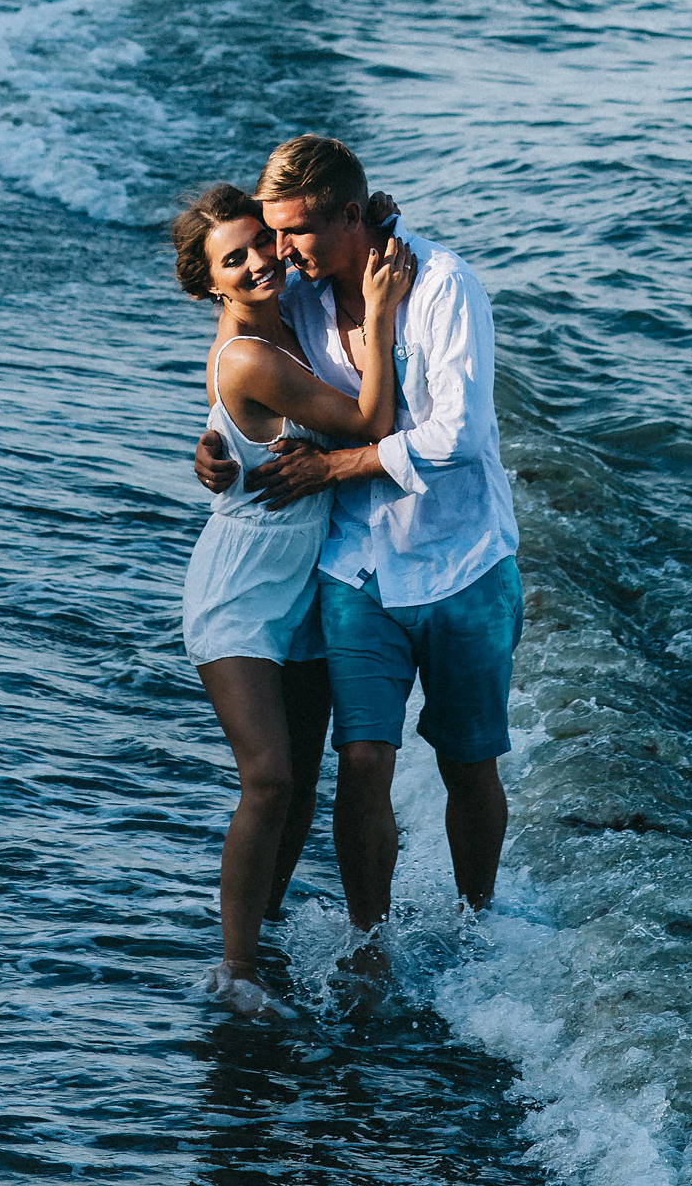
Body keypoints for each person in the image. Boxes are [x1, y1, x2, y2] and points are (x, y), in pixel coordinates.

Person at [195, 135, 521, 932]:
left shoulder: (443, 286)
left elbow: (457, 439)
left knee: (468, 764)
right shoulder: (299, 291)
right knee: (362, 761)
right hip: (356, 567)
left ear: (351, 216)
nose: (278, 251)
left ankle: (477, 923)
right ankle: (368, 943)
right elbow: (242, 346)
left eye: (294, 231)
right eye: (272, 231)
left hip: (464, 562)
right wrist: (214, 441)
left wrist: (336, 467)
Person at [170, 181, 414, 1012]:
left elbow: (328, 240)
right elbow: (372, 424)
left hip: (303, 585)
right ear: (210, 285)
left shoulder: (290, 308)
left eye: (259, 244)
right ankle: (233, 969)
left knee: (301, 782)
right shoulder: (250, 354)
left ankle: (262, 930)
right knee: (269, 779)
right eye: (231, 259)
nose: (257, 262)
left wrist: (376, 217)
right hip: (239, 590)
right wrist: (379, 319)